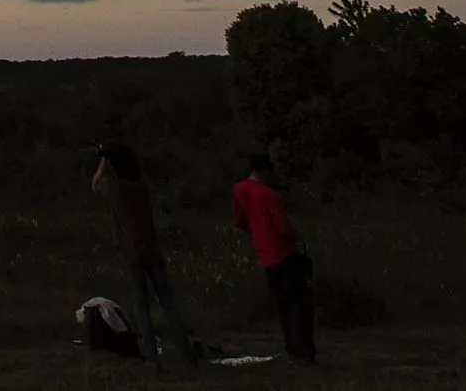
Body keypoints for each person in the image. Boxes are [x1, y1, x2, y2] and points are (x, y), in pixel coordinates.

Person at [91, 141, 204, 368]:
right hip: (152, 249)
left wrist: (103, 158)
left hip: (132, 252)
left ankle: (151, 357)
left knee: (141, 305)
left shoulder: (115, 188)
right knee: (168, 302)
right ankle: (185, 352)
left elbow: (95, 184)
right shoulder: (142, 185)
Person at [232, 152, 318, 364]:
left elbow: (239, 221)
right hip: (284, 253)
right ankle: (304, 349)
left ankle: (292, 349)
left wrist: (258, 231)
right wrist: (297, 236)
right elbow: (282, 227)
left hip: (266, 255)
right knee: (299, 304)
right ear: (264, 171)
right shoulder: (269, 194)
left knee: (283, 305)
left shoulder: (239, 190)